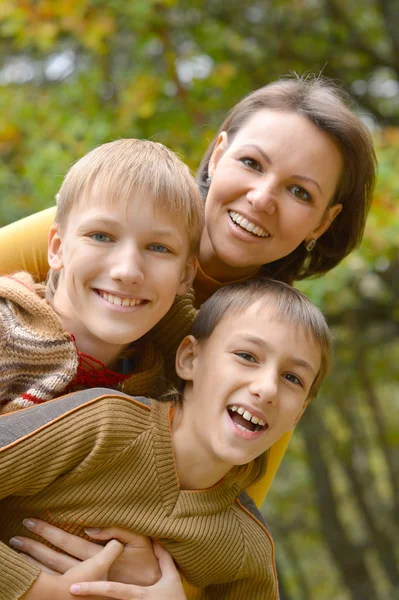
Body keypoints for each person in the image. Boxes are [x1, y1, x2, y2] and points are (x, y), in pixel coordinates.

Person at [0, 75, 375, 537]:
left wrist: (163, 580)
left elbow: (226, 516)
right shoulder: (111, 220)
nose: (261, 199)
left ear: (323, 220)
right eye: (251, 163)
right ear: (217, 156)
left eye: (300, 192)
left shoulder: (280, 344)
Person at [0, 278, 332, 600]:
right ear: (190, 359)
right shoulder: (104, 425)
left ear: (298, 413)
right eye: (247, 356)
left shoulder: (246, 550)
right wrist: (34, 589)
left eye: (292, 378)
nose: (268, 389)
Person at [0, 138, 203, 413]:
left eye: (158, 248)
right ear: (57, 247)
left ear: (185, 276)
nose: (127, 271)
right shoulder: (6, 333)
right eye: (101, 236)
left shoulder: (160, 388)